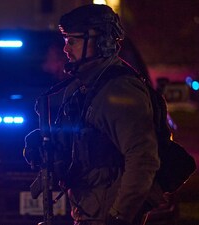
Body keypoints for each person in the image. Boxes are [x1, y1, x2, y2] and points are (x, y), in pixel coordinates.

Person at [24, 4, 167, 225]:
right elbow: (83, 144)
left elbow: (143, 159)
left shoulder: (119, 91)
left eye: (72, 41)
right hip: (88, 212)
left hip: (108, 214)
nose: (65, 49)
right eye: (65, 41)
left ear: (100, 42)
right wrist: (49, 146)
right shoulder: (80, 87)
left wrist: (119, 216)